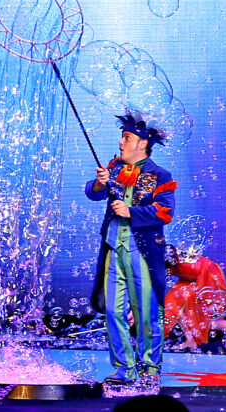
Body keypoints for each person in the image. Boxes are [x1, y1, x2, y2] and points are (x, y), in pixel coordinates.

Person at [86, 110, 176, 386]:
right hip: (115, 249)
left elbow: (165, 212)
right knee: (113, 311)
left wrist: (131, 211)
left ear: (142, 144)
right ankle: (124, 369)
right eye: (122, 138)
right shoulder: (115, 169)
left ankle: (149, 367)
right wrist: (100, 183)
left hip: (142, 251)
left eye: (127, 138)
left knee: (146, 312)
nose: (121, 143)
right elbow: (93, 192)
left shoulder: (159, 174)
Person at [164, 248, 226, 352]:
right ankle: (190, 340)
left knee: (208, 321)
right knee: (176, 306)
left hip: (209, 279)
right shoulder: (174, 260)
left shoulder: (172, 264)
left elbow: (203, 270)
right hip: (206, 277)